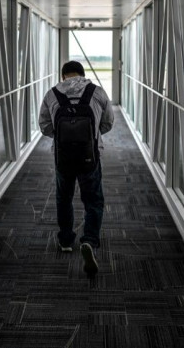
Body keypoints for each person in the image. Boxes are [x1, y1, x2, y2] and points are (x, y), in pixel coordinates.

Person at [39, 61, 114, 276]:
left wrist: (64, 138)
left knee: (64, 197)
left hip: (62, 157)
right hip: (90, 156)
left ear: (63, 76)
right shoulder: (97, 92)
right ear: (83, 74)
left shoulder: (52, 94)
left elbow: (44, 126)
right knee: (94, 199)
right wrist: (90, 137)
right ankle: (89, 240)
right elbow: (108, 123)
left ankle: (65, 240)